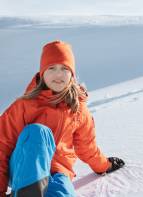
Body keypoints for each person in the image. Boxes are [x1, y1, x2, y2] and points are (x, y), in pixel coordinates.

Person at [0, 40, 125, 197]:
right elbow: (1, 146)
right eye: (51, 68)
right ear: (42, 72)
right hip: (23, 169)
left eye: (64, 69)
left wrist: (104, 165)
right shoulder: (24, 105)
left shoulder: (78, 110)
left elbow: (87, 146)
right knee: (38, 132)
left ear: (72, 74)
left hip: (58, 171)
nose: (58, 74)